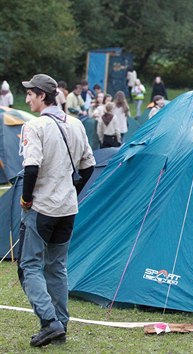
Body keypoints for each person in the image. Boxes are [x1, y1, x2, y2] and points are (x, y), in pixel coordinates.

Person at [19, 74, 95, 347]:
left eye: (30, 94)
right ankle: (61, 323)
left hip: (42, 206)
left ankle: (50, 323)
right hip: (67, 207)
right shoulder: (76, 123)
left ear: (42, 95)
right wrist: (72, 192)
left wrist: (27, 199)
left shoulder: (35, 126)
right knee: (57, 266)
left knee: (29, 266)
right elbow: (88, 166)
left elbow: (31, 167)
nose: (27, 99)